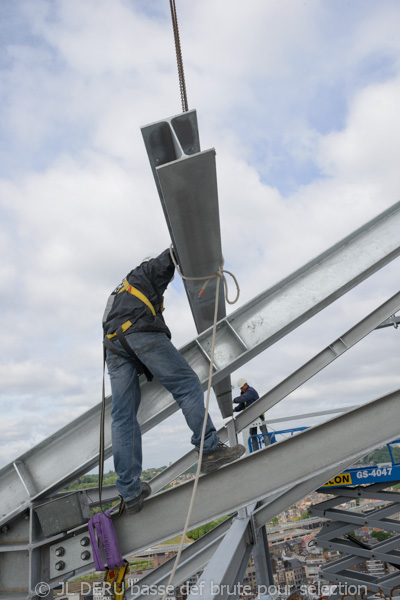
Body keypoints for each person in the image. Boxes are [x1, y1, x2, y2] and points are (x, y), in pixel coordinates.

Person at [103, 248, 245, 515]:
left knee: (123, 416)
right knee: (187, 385)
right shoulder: (147, 270)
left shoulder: (120, 293)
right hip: (137, 331)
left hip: (113, 346)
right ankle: (210, 449)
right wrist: (189, 251)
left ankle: (130, 492)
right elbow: (175, 251)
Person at [233, 378, 269, 451]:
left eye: (242, 388)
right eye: (240, 388)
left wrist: (234, 400)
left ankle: (268, 448)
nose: (241, 389)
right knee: (253, 435)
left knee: (264, 432)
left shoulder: (250, 391)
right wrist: (234, 409)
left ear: (245, 385)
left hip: (259, 415)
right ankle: (256, 451)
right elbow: (241, 405)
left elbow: (242, 398)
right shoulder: (243, 393)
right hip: (251, 417)